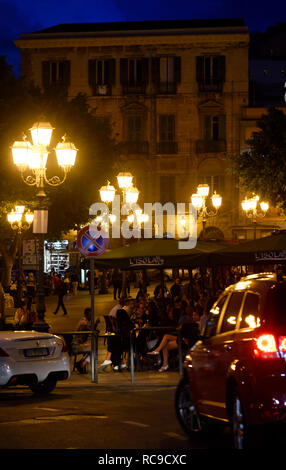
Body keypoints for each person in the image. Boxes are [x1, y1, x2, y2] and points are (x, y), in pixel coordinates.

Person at [72, 307, 100, 374]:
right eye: (90, 315)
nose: (91, 317)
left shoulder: (85, 321)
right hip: (76, 345)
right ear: (86, 314)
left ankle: (81, 363)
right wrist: (95, 327)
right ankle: (81, 364)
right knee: (93, 350)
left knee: (93, 349)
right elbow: (91, 330)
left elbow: (91, 329)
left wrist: (96, 324)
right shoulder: (84, 322)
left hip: (78, 344)